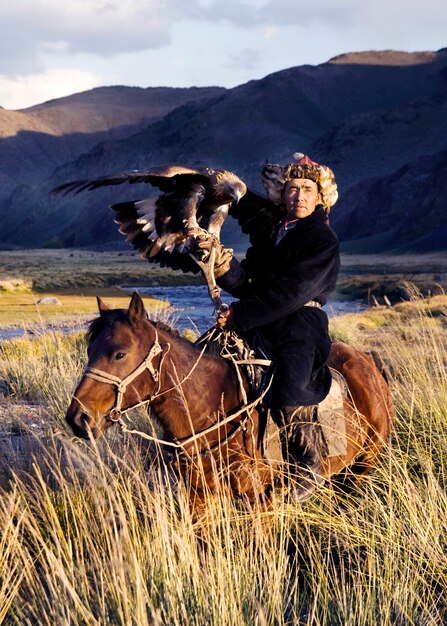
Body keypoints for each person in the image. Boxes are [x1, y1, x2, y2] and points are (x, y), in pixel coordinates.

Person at [210, 153, 340, 501]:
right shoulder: (275, 234)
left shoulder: (322, 240)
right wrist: (221, 263)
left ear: (319, 197)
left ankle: (307, 465)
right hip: (263, 317)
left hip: (300, 322)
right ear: (283, 194)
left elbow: (293, 292)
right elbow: (250, 282)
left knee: (291, 382)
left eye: (307, 189)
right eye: (293, 188)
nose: (299, 195)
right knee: (206, 356)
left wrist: (241, 315)